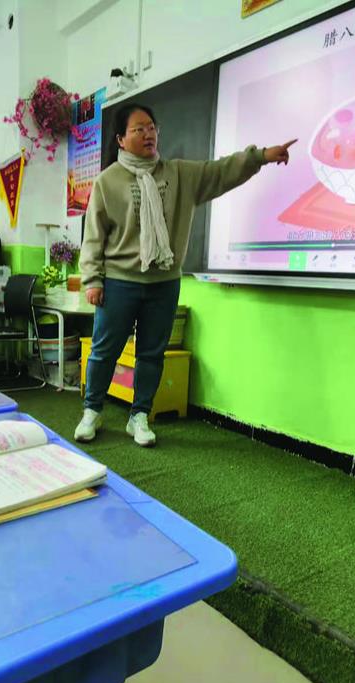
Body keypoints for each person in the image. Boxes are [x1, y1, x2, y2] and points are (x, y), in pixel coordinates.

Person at [75, 104, 296, 446]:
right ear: (120, 139)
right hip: (119, 282)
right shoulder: (108, 181)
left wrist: (261, 157)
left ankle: (139, 416)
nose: (148, 134)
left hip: (163, 283)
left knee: (152, 354)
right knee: (105, 350)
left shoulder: (179, 174)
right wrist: (92, 279)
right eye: (138, 129)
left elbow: (220, 171)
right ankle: (92, 411)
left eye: (152, 127)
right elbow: (93, 235)